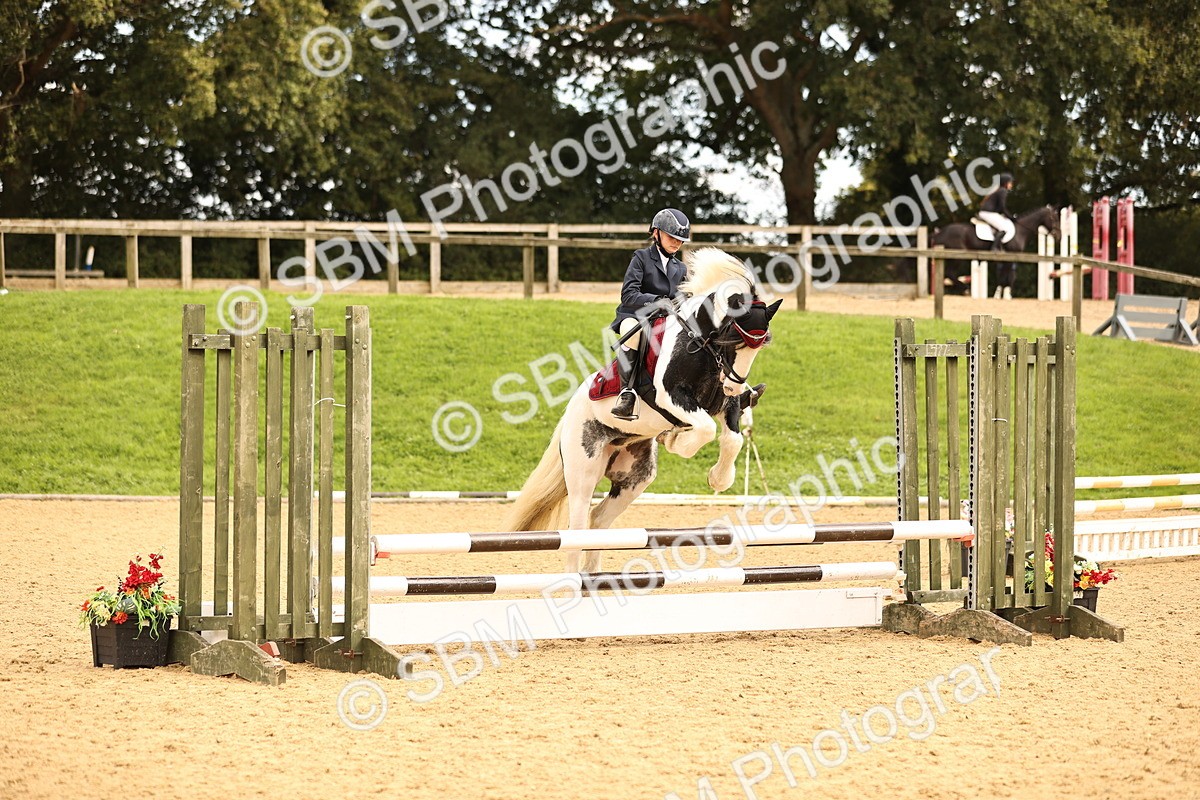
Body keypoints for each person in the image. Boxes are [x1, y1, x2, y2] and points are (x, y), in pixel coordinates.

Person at [609, 208, 690, 421]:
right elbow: (628, 293)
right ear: (656, 233)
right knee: (630, 332)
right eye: (672, 237)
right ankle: (627, 393)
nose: (676, 243)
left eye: (680, 240)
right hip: (636, 315)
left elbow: (681, 296)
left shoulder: (680, 268)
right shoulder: (641, 258)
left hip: (666, 319)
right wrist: (655, 301)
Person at [979, 173, 1015, 252]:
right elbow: (1002, 207)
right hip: (987, 213)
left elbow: (999, 208)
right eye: (1010, 183)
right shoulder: (1003, 191)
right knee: (1004, 228)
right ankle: (994, 248)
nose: (1011, 185)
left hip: (988, 212)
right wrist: (1010, 217)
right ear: (1005, 183)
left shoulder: (999, 190)